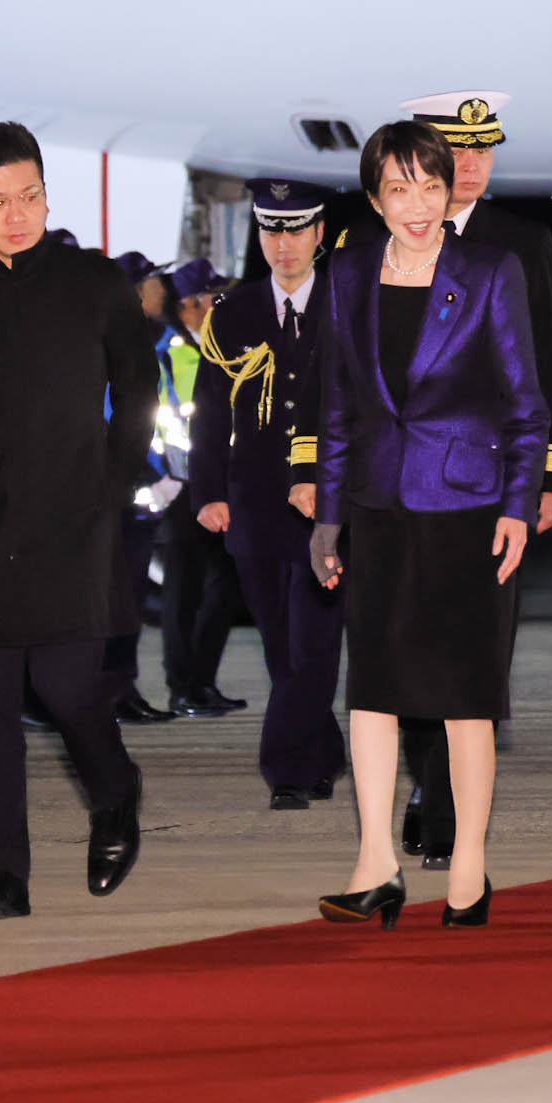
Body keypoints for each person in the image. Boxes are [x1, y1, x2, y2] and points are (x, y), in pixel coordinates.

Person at [0, 122, 154, 920]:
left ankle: (114, 793)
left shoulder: (94, 282)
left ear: (47, 196)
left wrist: (113, 482)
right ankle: (2, 876)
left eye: (29, 197)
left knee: (65, 689)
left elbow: (138, 386)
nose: (15, 215)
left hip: (74, 523)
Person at [310, 121, 548, 930]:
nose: (417, 205)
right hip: (376, 508)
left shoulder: (490, 271)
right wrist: (328, 517)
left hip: (467, 509)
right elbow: (337, 407)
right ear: (374, 199)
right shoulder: (346, 272)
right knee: (371, 691)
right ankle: (375, 862)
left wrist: (518, 506)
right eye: (399, 189)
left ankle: (469, 868)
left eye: (431, 186)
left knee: (463, 696)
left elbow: (527, 406)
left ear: (449, 192)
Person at [389, 91, 552, 868]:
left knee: (476, 647)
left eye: (482, 151)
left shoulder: (523, 243)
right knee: (407, 644)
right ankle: (427, 782)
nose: (469, 165)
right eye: (454, 152)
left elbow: (550, 364)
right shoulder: (380, 236)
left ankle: (447, 800)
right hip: (399, 485)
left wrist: (548, 480)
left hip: (492, 482)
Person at [192, 180, 347, 809]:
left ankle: (286, 770)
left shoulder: (347, 302)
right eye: (271, 231)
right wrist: (207, 491)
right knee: (282, 647)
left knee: (314, 642)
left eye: (296, 230)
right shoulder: (232, 311)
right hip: (253, 503)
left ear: (318, 234)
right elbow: (209, 411)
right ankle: (323, 755)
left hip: (326, 508)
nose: (283, 245)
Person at [159, 258, 249, 716]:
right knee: (184, 591)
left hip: (222, 485)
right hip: (180, 489)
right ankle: (182, 688)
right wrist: (165, 479)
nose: (222, 304)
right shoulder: (168, 351)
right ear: (189, 305)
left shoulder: (225, 347)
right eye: (215, 297)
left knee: (225, 587)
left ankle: (203, 683)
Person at [102, 251, 177, 726]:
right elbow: (114, 418)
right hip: (122, 492)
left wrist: (173, 473)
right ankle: (109, 692)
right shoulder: (113, 345)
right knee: (114, 597)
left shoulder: (157, 341)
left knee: (128, 597)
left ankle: (122, 688)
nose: (161, 290)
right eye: (152, 282)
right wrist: (146, 476)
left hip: (150, 490)